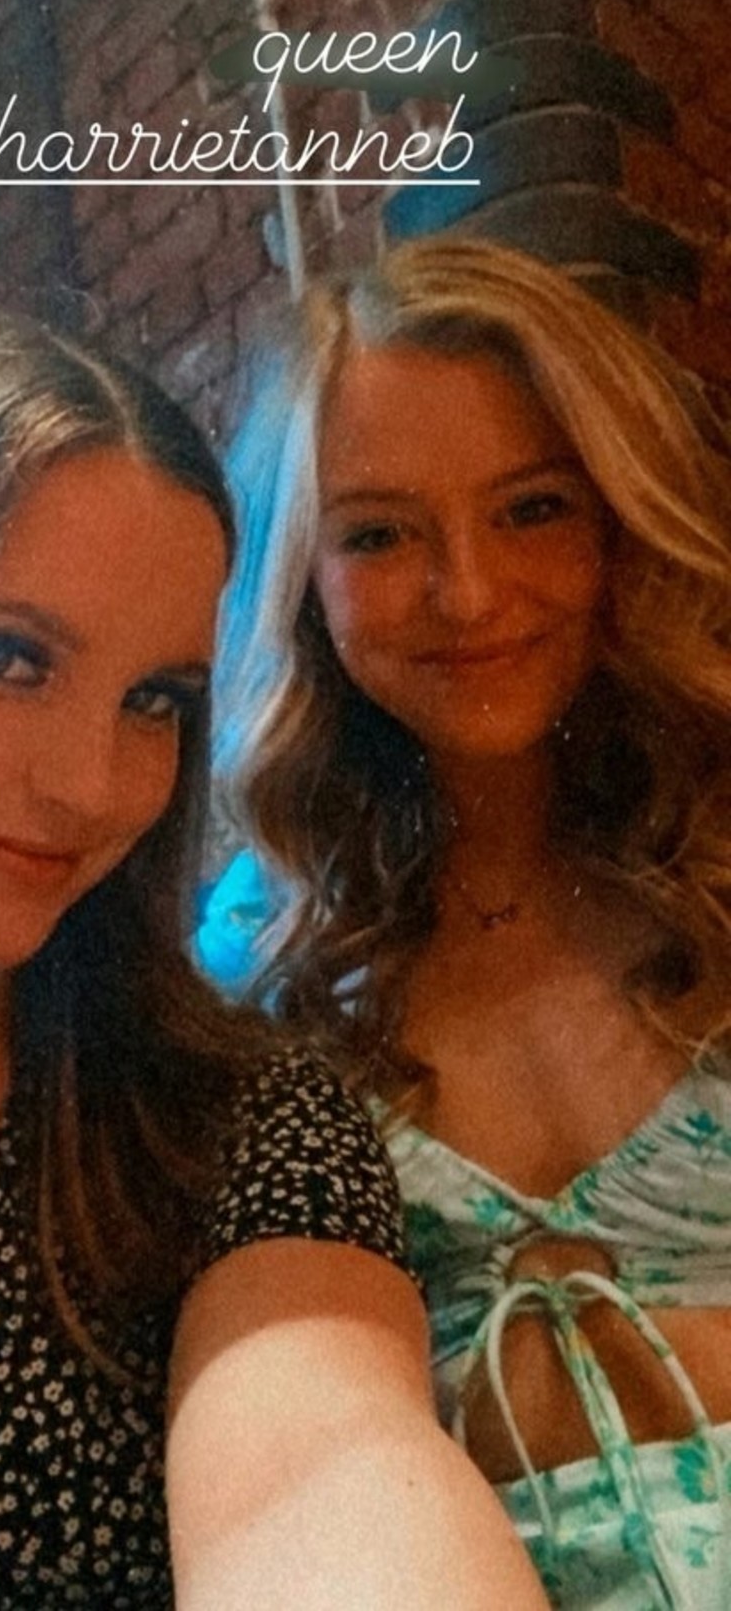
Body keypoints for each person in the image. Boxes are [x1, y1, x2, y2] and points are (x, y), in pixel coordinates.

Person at [0, 300, 548, 1610]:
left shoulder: (234, 1122)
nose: (90, 784)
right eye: (8, 657)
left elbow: (321, 1467)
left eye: (153, 701)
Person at [201, 237, 731, 1608]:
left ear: (621, 514)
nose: (471, 593)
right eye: (379, 535)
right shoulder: (254, 965)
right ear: (302, 578)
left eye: (534, 508)